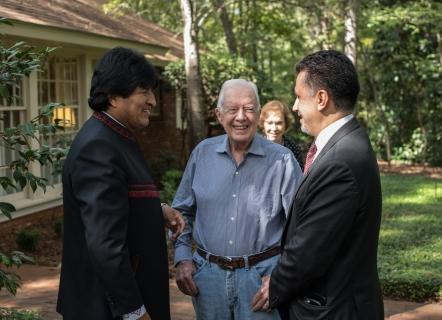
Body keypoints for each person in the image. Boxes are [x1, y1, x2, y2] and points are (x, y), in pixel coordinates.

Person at [252, 50, 384, 319]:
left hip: (333, 310)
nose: (295, 107)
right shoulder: (349, 142)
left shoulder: (341, 161)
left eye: (299, 97)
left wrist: (275, 285)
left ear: (322, 99)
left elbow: (311, 250)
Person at [56, 47, 184, 320]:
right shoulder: (98, 147)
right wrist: (135, 311)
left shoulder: (115, 136)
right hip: (107, 310)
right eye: (144, 91)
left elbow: (119, 202)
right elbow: (105, 244)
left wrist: (157, 209)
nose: (152, 101)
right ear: (113, 96)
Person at [173, 79, 303, 320]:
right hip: (207, 281)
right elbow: (182, 213)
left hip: (261, 280)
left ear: (259, 114)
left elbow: (302, 226)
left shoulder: (282, 161)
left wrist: (282, 275)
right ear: (219, 114)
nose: (241, 117)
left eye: (249, 109)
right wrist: (182, 259)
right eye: (233, 109)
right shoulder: (202, 154)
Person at [259, 100, 304, 170]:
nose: (274, 128)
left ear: (285, 124)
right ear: (263, 123)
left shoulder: (293, 148)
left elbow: (299, 176)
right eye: (270, 123)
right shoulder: (255, 147)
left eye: (279, 123)